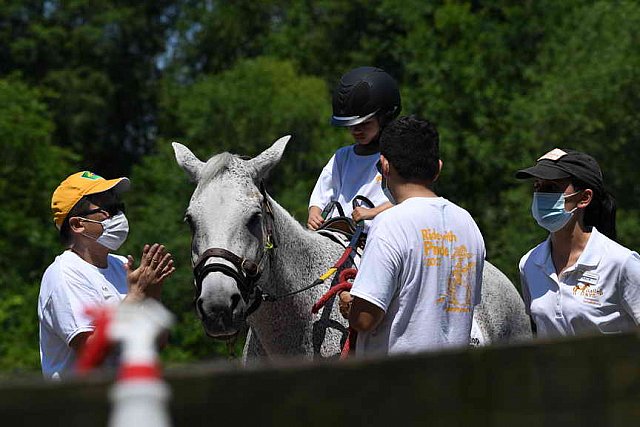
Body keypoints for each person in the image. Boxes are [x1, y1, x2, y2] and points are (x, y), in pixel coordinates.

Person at [339, 116, 485, 357]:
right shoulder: (468, 224)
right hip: (454, 381)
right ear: (437, 169)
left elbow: (365, 319)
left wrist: (349, 305)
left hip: (399, 385)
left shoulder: (389, 224)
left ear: (384, 166)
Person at [38, 171, 175, 379]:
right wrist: (136, 296)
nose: (119, 215)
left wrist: (153, 292)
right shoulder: (64, 274)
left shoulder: (120, 265)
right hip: (80, 407)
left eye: (119, 207)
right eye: (109, 209)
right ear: (77, 224)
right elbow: (91, 353)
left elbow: (158, 343)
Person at [516, 148, 640, 337]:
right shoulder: (529, 264)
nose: (540, 196)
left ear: (584, 198)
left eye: (551, 188)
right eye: (537, 187)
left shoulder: (621, 263)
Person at [307, 66, 401, 230]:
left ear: (385, 117)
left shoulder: (397, 157)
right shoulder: (342, 156)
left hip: (377, 235)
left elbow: (408, 200)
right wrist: (314, 213)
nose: (356, 130)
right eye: (351, 126)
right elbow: (321, 194)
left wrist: (371, 213)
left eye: (365, 124)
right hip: (339, 233)